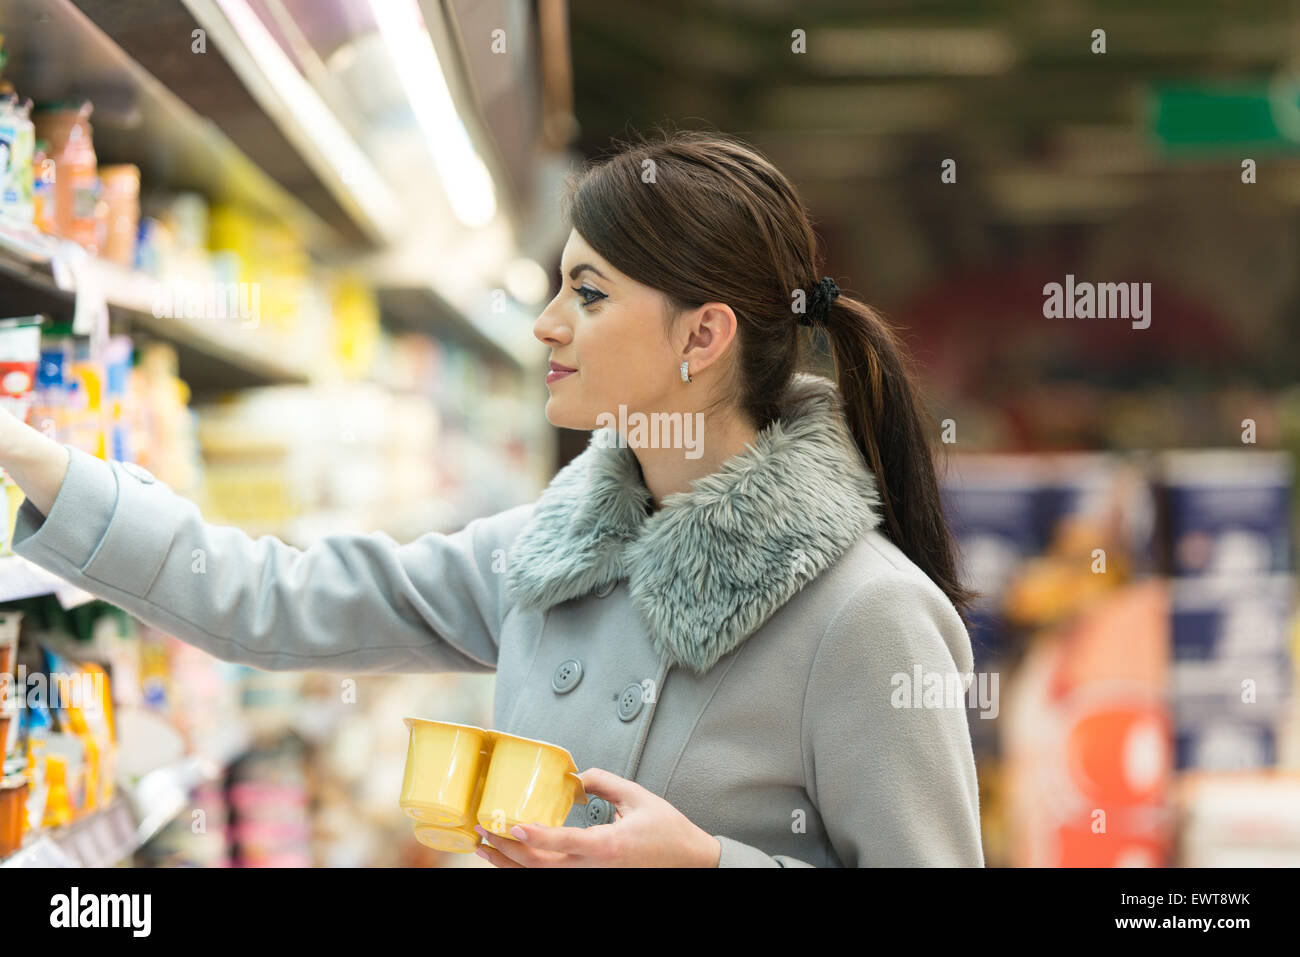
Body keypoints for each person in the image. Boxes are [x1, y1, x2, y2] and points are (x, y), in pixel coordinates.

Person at [1, 128, 984, 867]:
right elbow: (273, 601)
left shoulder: (869, 615)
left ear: (702, 335)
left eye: (589, 295)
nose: (547, 327)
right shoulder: (544, 556)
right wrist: (29, 455)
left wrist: (706, 863)